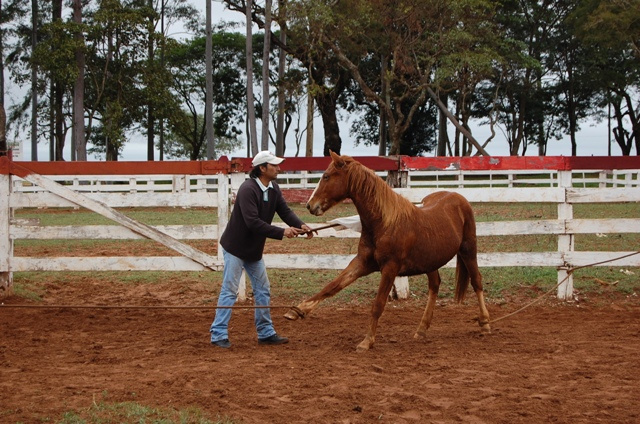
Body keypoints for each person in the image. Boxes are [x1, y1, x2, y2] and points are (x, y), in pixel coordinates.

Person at [210, 151, 314, 348]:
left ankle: (265, 333)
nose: (278, 168)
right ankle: (218, 334)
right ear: (262, 168)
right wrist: (282, 232)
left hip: (253, 250)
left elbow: (284, 211)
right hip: (235, 248)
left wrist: (302, 225)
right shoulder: (248, 189)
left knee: (262, 290)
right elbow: (252, 222)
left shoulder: (273, 187)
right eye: (274, 165)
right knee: (230, 290)